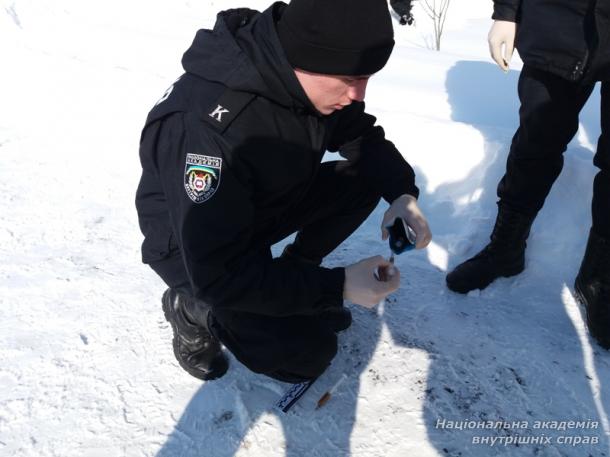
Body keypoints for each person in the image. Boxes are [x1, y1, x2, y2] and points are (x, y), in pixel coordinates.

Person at [135, 0, 432, 383]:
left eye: (366, 78)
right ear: (306, 59)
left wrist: (402, 194)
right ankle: (193, 309)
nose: (358, 94)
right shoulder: (208, 132)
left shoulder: (305, 70)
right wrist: (337, 286)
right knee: (307, 356)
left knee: (363, 179)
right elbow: (220, 274)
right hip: (195, 250)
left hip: (256, 204)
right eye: (349, 80)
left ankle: (293, 276)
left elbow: (361, 136)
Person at [446, 0, 610, 348]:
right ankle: (505, 248)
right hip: (558, 21)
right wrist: (506, 12)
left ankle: (599, 277)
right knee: (536, 141)